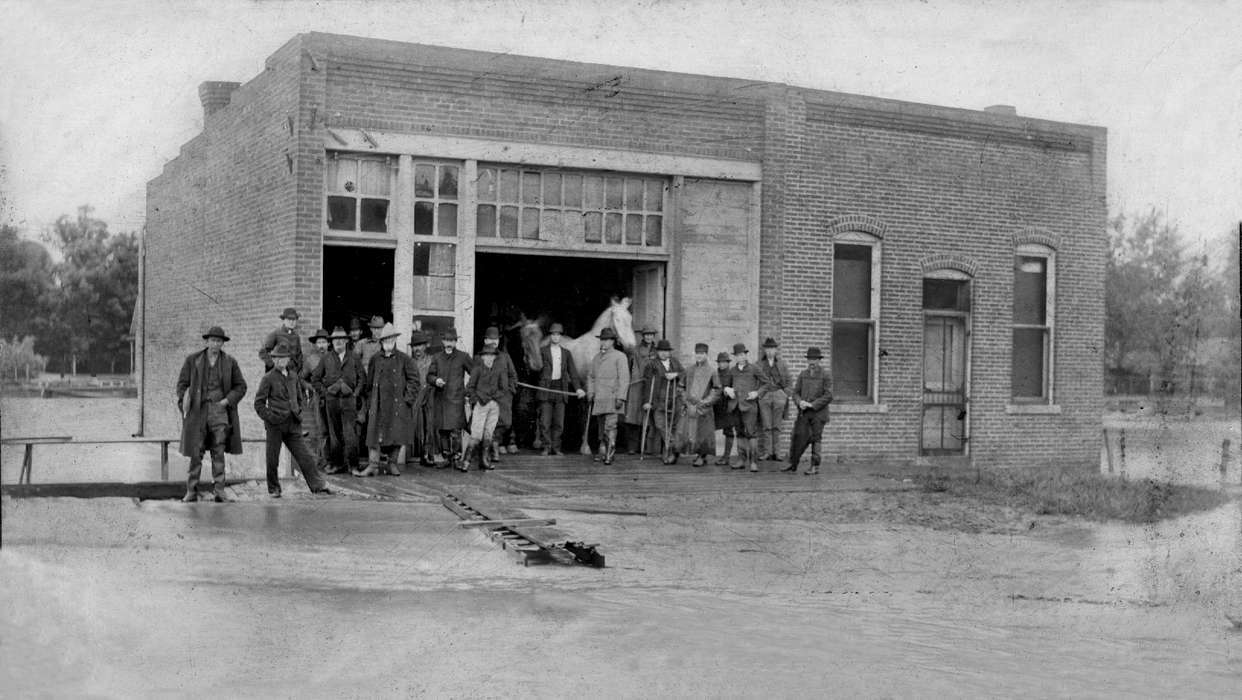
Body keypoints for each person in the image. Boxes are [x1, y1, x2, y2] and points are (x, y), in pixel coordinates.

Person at [175, 326, 246, 503]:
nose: (216, 344)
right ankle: (191, 491)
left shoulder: (230, 362)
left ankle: (220, 491)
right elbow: (181, 385)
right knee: (195, 451)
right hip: (198, 412)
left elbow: (241, 386)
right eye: (213, 340)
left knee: (218, 451)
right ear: (206, 342)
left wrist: (226, 401)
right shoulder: (193, 360)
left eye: (219, 341)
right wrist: (186, 402)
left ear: (223, 343)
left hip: (219, 412)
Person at [254, 343, 331, 498]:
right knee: (272, 458)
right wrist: (271, 417)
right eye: (277, 358)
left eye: (283, 358)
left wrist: (298, 411)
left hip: (293, 423)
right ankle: (274, 489)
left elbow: (299, 396)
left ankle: (317, 485)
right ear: (273, 360)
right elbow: (259, 403)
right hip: (275, 425)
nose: (280, 361)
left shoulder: (293, 375)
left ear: (288, 359)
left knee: (304, 456)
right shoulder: (268, 378)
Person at [355, 323, 418, 477]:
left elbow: (414, 380)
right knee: (374, 434)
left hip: (397, 405)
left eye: (391, 339)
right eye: (385, 340)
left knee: (397, 435)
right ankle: (373, 465)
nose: (389, 342)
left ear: (395, 340)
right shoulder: (375, 359)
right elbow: (369, 383)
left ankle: (392, 464)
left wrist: (406, 400)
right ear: (381, 342)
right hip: (378, 404)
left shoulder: (404, 359)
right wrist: (370, 401)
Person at [310, 326, 363, 474]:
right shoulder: (326, 359)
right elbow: (315, 379)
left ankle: (353, 465)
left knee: (350, 434)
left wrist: (355, 394)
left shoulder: (354, 357)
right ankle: (338, 464)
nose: (338, 342)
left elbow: (362, 379)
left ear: (346, 341)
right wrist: (326, 392)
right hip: (332, 401)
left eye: (341, 340)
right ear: (331, 343)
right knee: (334, 435)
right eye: (335, 340)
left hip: (349, 401)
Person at [537, 322, 585, 456]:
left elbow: (573, 373)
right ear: (550, 336)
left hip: (561, 388)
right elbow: (535, 367)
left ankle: (556, 447)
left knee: (559, 422)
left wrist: (578, 389)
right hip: (546, 388)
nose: (555, 337)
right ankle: (546, 447)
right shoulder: (542, 351)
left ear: (561, 336)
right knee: (545, 421)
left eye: (558, 334)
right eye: (553, 334)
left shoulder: (566, 353)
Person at [785, 347, 834, 474]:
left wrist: (813, 405)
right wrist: (799, 402)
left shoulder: (825, 375)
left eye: (814, 359)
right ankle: (793, 463)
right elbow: (795, 393)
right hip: (804, 413)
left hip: (819, 413)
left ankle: (814, 466)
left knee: (816, 438)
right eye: (810, 359)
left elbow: (829, 395)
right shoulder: (803, 374)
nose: (812, 362)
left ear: (819, 360)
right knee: (796, 435)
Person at [461, 344, 509, 471]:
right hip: (481, 405)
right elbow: (469, 388)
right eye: (486, 355)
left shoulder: (499, 370)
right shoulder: (477, 370)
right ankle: (466, 461)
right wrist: (477, 399)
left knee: (488, 433)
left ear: (494, 357)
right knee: (476, 434)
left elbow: (504, 388)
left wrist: (493, 398)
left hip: (494, 406)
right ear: (482, 357)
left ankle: (484, 460)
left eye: (491, 355)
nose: (489, 358)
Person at [427, 328, 471, 467]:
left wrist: (467, 390)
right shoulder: (437, 357)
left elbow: (475, 372)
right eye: (447, 340)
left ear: (456, 341)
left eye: (452, 340)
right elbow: (429, 376)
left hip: (457, 399)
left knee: (456, 430)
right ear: (443, 341)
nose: (449, 343)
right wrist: (435, 380)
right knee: (443, 430)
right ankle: (446, 457)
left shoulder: (463, 357)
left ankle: (457, 458)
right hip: (441, 398)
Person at [587, 327, 630, 465]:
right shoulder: (596, 358)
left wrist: (621, 397)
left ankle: (610, 454)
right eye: (602, 339)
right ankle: (603, 450)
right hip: (599, 397)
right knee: (601, 427)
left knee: (610, 426)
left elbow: (624, 378)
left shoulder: (620, 356)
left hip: (613, 397)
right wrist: (591, 392)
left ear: (613, 341)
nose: (604, 342)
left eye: (607, 340)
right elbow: (591, 377)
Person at [475, 326, 518, 463]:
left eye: (496, 339)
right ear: (485, 340)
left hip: (503, 398)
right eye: (490, 339)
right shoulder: (478, 358)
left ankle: (494, 443)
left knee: (505, 422)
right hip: (486, 398)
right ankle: (491, 450)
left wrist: (510, 391)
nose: (493, 342)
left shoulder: (505, 357)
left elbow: (513, 375)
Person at [721, 342, 766, 472]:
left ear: (746, 355)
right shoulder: (732, 371)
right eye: (737, 355)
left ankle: (753, 462)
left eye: (742, 354)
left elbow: (766, 383)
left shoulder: (754, 368)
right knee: (739, 433)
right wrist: (726, 390)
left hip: (749, 406)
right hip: (735, 406)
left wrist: (757, 393)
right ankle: (741, 460)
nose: (740, 357)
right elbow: (725, 386)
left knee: (751, 434)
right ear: (735, 357)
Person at [641, 339, 684, 464]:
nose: (664, 354)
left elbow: (685, 374)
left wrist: (676, 374)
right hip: (658, 400)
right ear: (657, 352)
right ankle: (673, 447)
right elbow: (648, 384)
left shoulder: (675, 363)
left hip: (675, 399)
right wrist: (646, 401)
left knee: (674, 426)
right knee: (660, 425)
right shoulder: (651, 365)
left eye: (666, 351)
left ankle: (669, 452)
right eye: (661, 351)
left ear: (670, 352)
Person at [680, 343, 722, 467]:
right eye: (697, 353)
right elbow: (680, 387)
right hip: (689, 406)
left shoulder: (712, 371)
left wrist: (704, 402)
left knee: (703, 433)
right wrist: (685, 400)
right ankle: (678, 453)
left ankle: (701, 456)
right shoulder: (689, 369)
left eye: (702, 354)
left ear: (706, 355)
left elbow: (717, 390)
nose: (699, 356)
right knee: (683, 431)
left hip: (704, 408)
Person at [404, 330, 440, 468]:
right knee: (414, 425)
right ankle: (411, 454)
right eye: (414, 346)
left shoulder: (432, 360)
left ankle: (428, 454)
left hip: (430, 396)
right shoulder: (409, 362)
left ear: (426, 346)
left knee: (430, 425)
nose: (417, 349)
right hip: (414, 398)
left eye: (420, 345)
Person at [623, 325, 658, 454]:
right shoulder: (636, 350)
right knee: (634, 415)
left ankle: (647, 447)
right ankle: (633, 447)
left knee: (649, 416)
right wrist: (636, 380)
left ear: (654, 336)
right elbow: (631, 367)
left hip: (652, 385)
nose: (649, 337)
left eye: (651, 335)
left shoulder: (657, 350)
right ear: (643, 336)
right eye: (646, 334)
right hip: (637, 385)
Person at [757, 337, 792, 461]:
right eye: (768, 349)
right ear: (765, 350)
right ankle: (768, 452)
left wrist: (784, 394)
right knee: (766, 426)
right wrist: (759, 395)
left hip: (778, 395)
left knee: (777, 426)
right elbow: (755, 381)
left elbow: (789, 382)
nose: (770, 351)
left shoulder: (782, 364)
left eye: (772, 348)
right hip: (765, 396)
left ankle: (777, 453)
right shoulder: (759, 364)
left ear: (776, 350)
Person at [302, 328, 331, 473]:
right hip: (318, 398)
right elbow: (301, 378)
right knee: (321, 429)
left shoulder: (334, 357)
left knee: (333, 428)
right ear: (315, 344)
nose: (321, 345)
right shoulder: (311, 360)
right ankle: (321, 461)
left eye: (324, 342)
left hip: (333, 396)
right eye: (319, 342)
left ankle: (332, 460)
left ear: (328, 344)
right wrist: (311, 387)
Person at [259, 307, 305, 374]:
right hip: (279, 371)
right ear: (284, 320)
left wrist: (298, 367)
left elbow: (299, 354)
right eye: (289, 319)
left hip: (292, 373)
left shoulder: (296, 336)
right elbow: (262, 352)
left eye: (294, 319)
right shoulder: (276, 334)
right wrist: (272, 365)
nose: (292, 322)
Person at [712, 352, 736, 466]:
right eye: (720, 362)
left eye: (724, 362)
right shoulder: (714, 373)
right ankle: (703, 455)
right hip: (715, 405)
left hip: (727, 406)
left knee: (728, 431)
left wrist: (730, 391)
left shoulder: (732, 374)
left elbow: (736, 389)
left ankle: (726, 457)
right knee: (707, 429)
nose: (722, 364)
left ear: (728, 363)